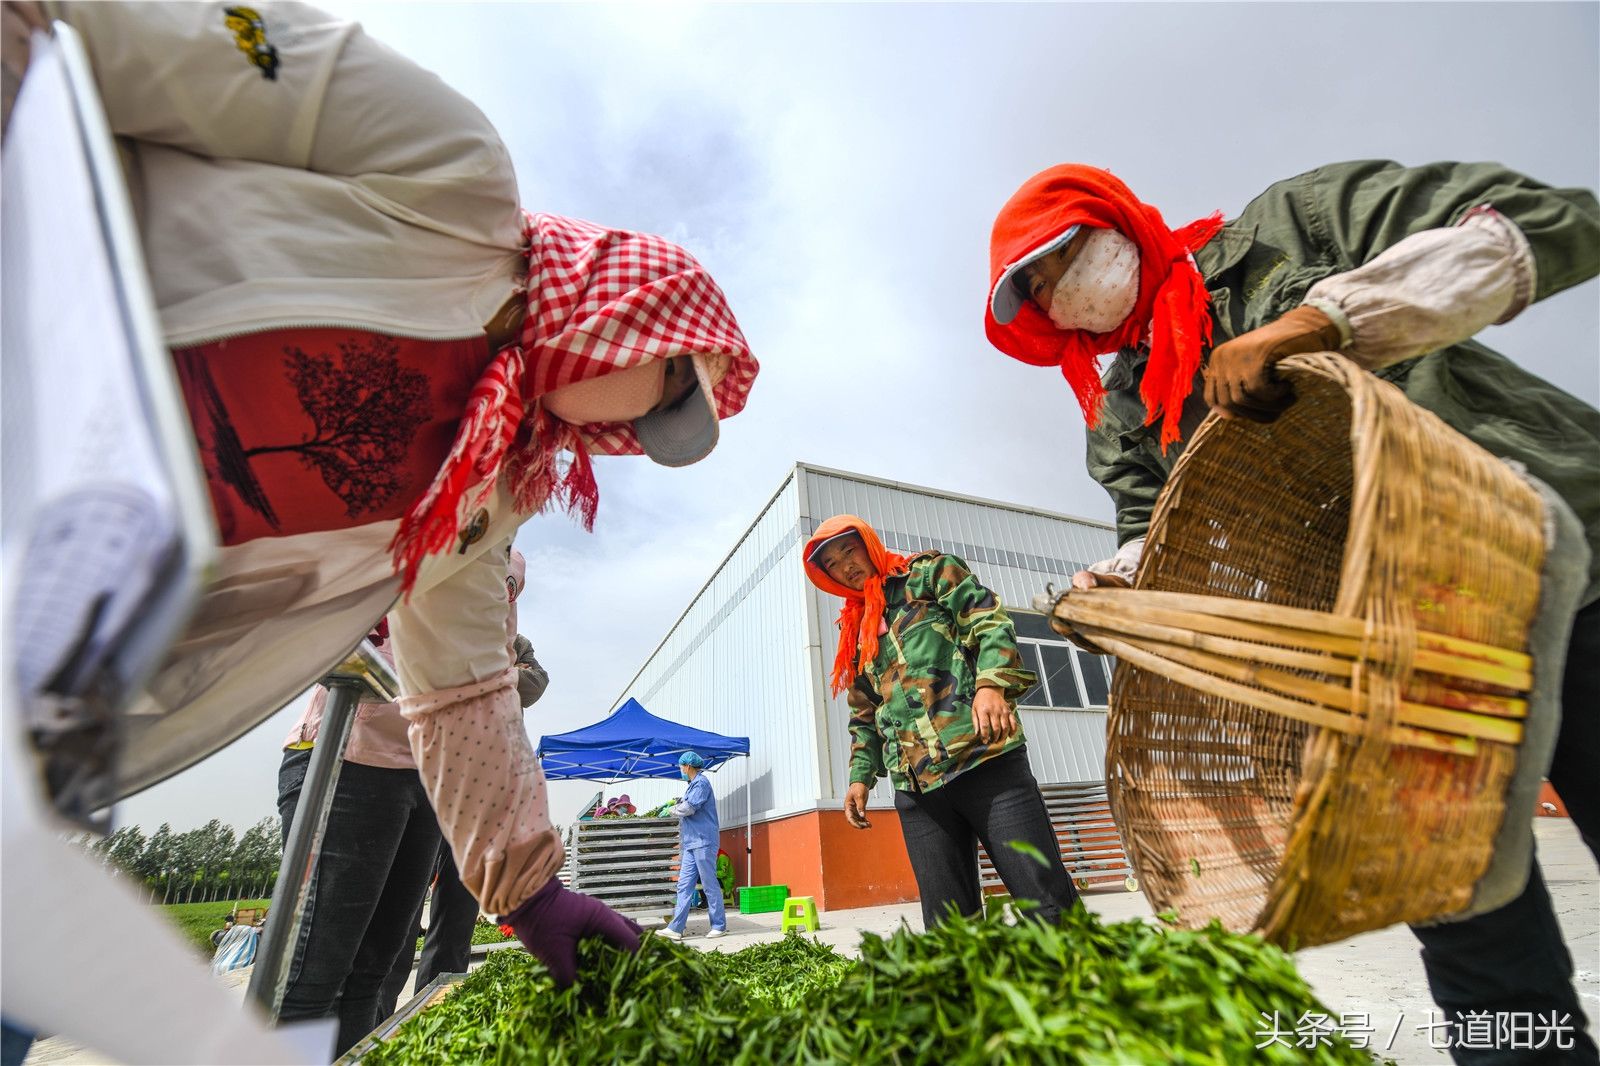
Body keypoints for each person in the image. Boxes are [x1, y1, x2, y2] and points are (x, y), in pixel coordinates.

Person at [26, 0, 759, 996]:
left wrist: (530, 888)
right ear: (635, 313)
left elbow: (462, 685)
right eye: (669, 388)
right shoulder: (450, 176)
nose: (633, 433)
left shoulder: (480, 493)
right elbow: (122, 32)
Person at [985, 160, 1598, 1064]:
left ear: (1110, 219)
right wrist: (1117, 595)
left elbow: (1550, 222)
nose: (1061, 294)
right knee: (1483, 959)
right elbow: (1162, 538)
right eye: (1039, 294)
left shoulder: (1298, 227)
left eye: (1062, 258)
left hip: (1555, 567)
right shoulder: (1122, 415)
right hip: (1394, 672)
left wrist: (1320, 322)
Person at [801, 516, 1082, 929]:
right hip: (918, 790)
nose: (845, 565)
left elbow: (989, 622)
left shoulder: (929, 574)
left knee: (1045, 901)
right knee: (949, 929)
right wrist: (860, 777)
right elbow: (865, 712)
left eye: (849, 549)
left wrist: (992, 685)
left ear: (868, 543)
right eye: (831, 563)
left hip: (985, 760)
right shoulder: (855, 629)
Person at [658, 752, 727, 941]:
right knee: (684, 885)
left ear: (688, 766)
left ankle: (719, 925)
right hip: (690, 842)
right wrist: (675, 802)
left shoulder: (701, 783)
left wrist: (671, 810)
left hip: (704, 841)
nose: (680, 770)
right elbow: (686, 803)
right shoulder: (692, 786)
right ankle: (676, 927)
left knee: (709, 883)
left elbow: (689, 808)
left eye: (681, 766)